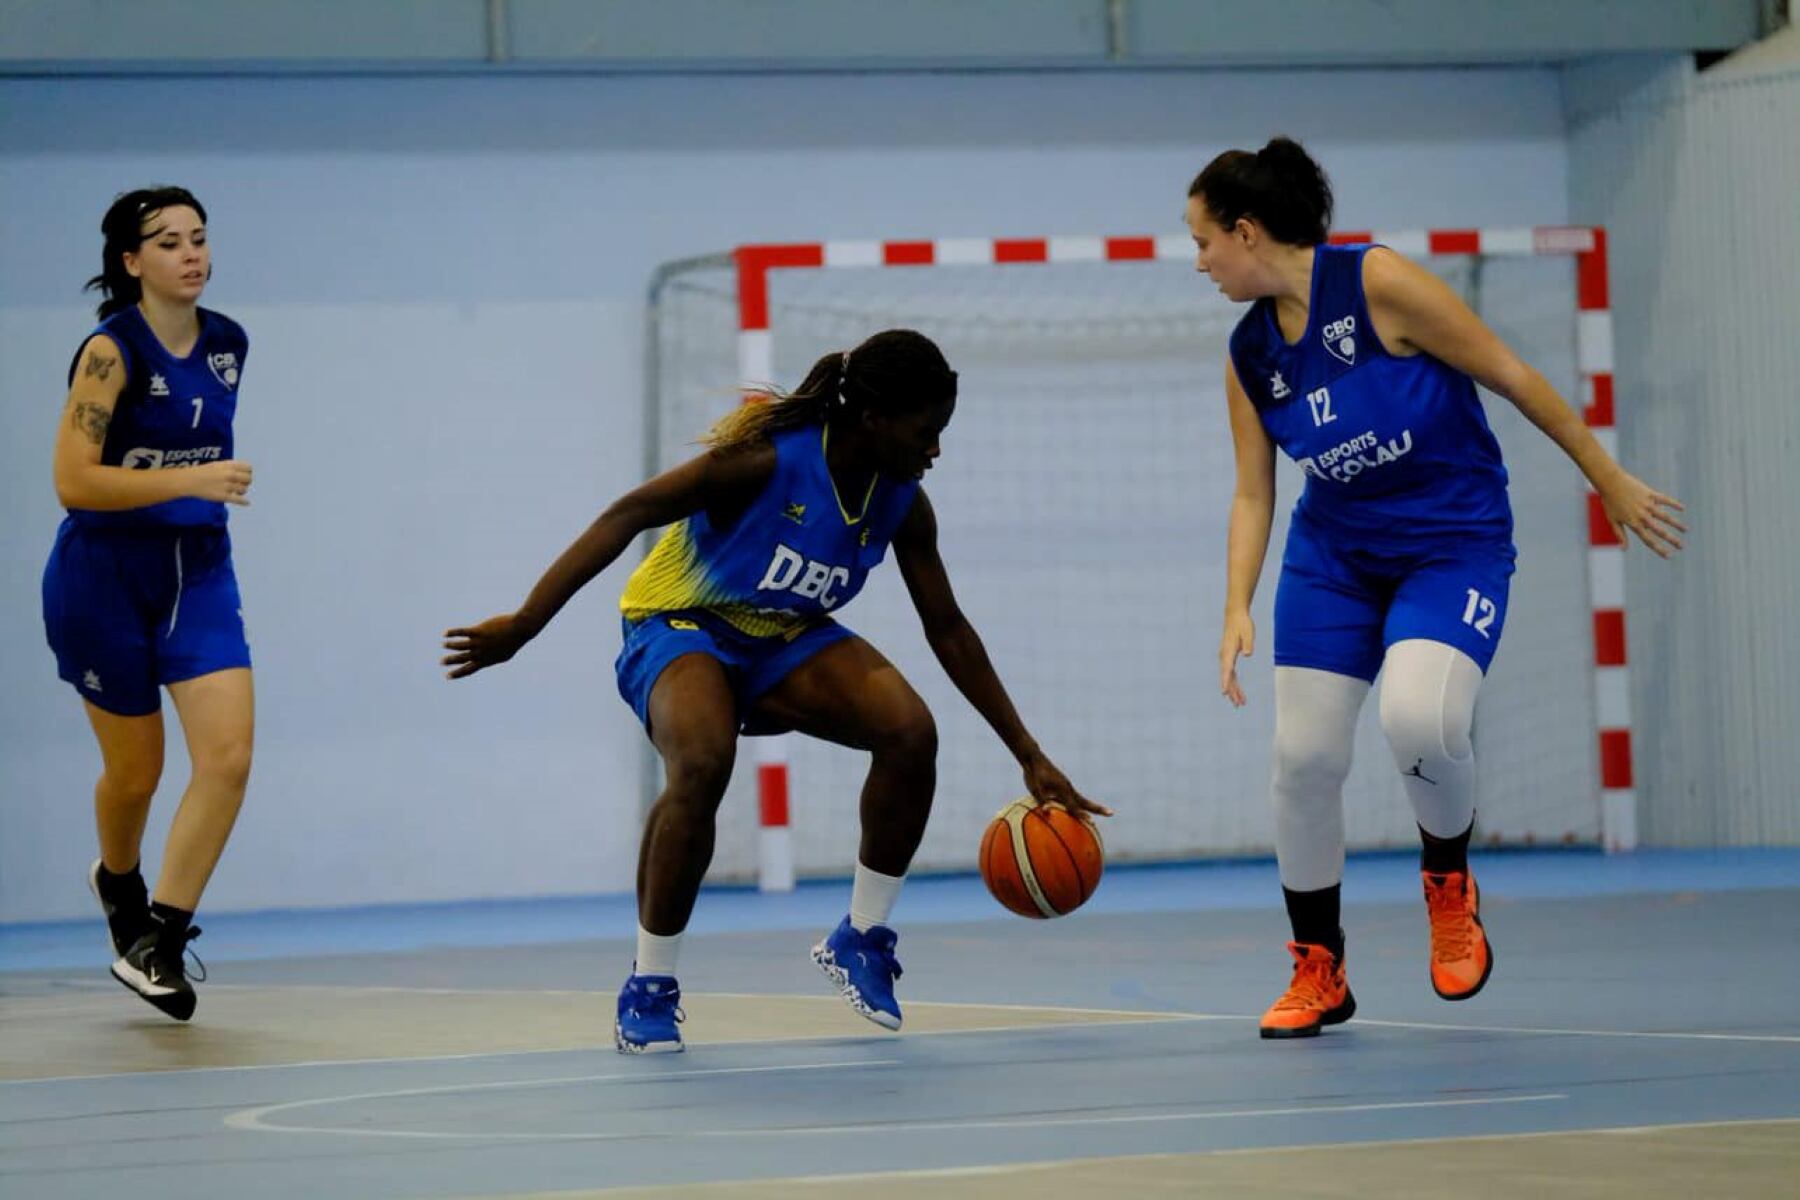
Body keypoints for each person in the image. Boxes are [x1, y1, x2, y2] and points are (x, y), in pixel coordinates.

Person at [444, 328, 1109, 1054]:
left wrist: (1028, 753)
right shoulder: (764, 464)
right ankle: (649, 984)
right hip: (679, 623)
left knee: (910, 733)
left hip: (780, 635)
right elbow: (627, 513)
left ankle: (862, 936)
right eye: (927, 432)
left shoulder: (903, 505)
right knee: (702, 761)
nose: (936, 450)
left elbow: (947, 628)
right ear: (874, 419)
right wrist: (525, 624)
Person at [1186, 138, 1685, 1039]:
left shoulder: (1380, 284)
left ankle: (1450, 888)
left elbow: (1513, 375)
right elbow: (1254, 489)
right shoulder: (1248, 353)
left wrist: (1605, 476)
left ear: (1247, 231)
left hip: (1451, 546)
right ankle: (1318, 970)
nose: (1200, 262)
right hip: (1332, 559)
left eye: (1204, 241)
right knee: (1302, 762)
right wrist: (1234, 606)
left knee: (1419, 720)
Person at [45, 187, 257, 1022]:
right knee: (137, 773)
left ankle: (159, 938)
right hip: (104, 576)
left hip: (198, 571)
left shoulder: (230, 343)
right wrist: (193, 478)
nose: (191, 254)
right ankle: (118, 881)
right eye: (168, 242)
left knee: (229, 758)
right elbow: (73, 481)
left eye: (199, 237)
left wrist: (197, 499)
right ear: (132, 262)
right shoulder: (109, 352)